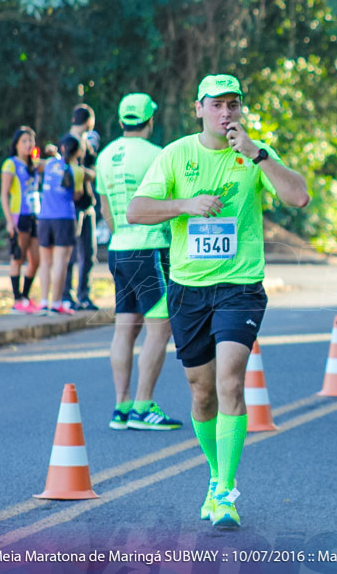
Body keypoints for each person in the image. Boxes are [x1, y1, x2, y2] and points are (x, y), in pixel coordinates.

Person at [126, 74, 309, 529]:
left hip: (240, 284)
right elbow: (136, 211)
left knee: (230, 381)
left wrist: (258, 155)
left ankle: (226, 492)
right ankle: (214, 475)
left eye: (233, 104)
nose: (226, 112)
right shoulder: (177, 155)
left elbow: (299, 197)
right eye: (216, 104)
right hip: (188, 286)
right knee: (202, 391)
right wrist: (185, 205)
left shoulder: (255, 153)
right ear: (198, 108)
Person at [96, 92, 182, 432]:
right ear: (150, 120)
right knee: (160, 328)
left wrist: (124, 236)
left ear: (121, 121)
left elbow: (106, 211)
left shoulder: (104, 157)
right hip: (149, 248)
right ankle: (144, 407)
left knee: (124, 329)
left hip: (118, 249)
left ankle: (122, 407)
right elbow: (170, 205)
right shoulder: (158, 155)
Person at [36, 135, 84, 316]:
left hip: (44, 218)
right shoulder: (77, 171)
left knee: (45, 263)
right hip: (64, 219)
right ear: (78, 151)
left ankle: (43, 302)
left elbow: (39, 162)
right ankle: (56, 303)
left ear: (62, 148)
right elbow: (77, 195)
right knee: (60, 263)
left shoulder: (49, 164)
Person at [60, 104, 100, 311]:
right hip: (69, 207)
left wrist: (81, 171)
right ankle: (67, 295)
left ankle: (84, 296)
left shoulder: (87, 144)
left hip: (87, 204)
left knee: (89, 252)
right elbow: (65, 172)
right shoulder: (68, 142)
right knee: (70, 254)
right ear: (89, 121)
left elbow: (93, 172)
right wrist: (83, 172)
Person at [0, 126, 42, 314]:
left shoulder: (33, 164)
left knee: (35, 259)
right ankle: (16, 300)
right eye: (24, 141)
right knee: (18, 257)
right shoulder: (11, 164)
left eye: (31, 141)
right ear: (16, 144)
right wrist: (9, 220)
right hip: (19, 216)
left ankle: (25, 296)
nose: (28, 144)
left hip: (34, 216)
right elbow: (4, 195)